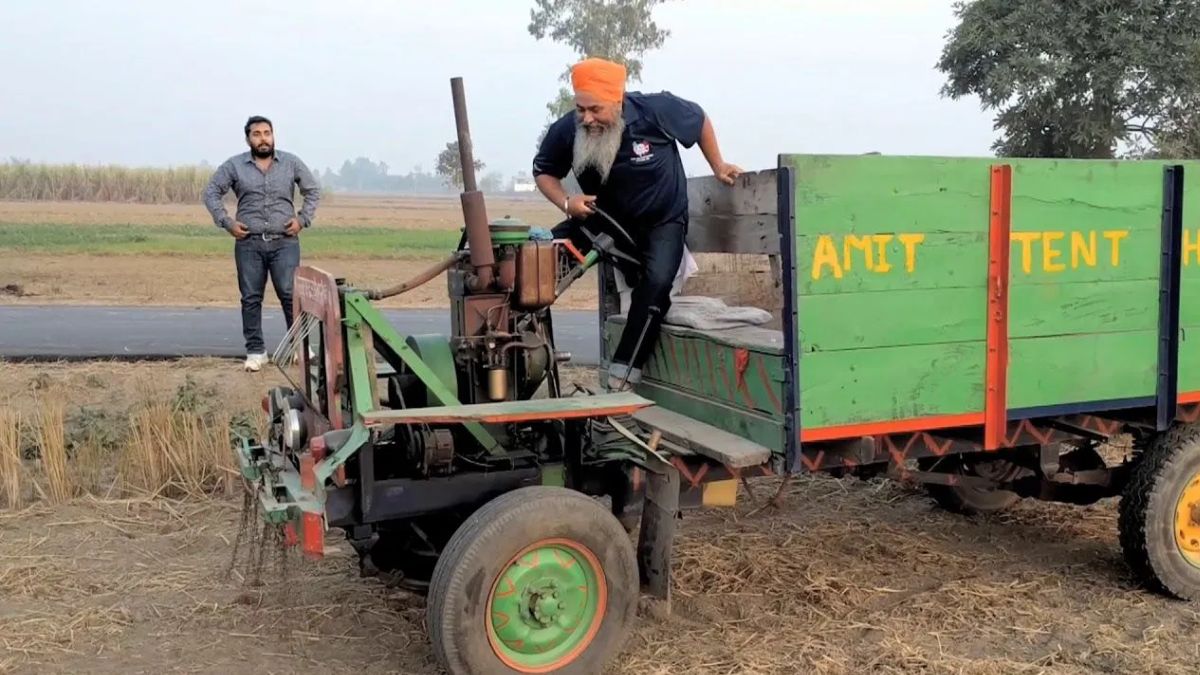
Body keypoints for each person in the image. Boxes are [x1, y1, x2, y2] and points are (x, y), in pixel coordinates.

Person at [532, 57, 742, 389]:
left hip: (662, 223)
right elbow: (544, 171)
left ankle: (622, 377)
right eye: (580, 109)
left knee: (657, 285)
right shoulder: (567, 129)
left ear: (618, 100)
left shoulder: (656, 110)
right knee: (536, 260)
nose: (587, 118)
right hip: (601, 220)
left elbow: (699, 119)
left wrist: (718, 164)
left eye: (595, 109)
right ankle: (515, 351)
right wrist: (567, 203)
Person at [203, 115, 320, 372]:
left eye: (267, 133)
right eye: (257, 134)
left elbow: (312, 191)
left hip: (285, 243)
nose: (263, 138)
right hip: (249, 243)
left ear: (273, 136)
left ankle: (299, 348)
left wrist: (303, 219)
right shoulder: (234, 166)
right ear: (248, 139)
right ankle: (256, 352)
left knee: (291, 295)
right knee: (251, 298)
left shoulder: (290, 163)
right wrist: (227, 222)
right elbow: (210, 192)